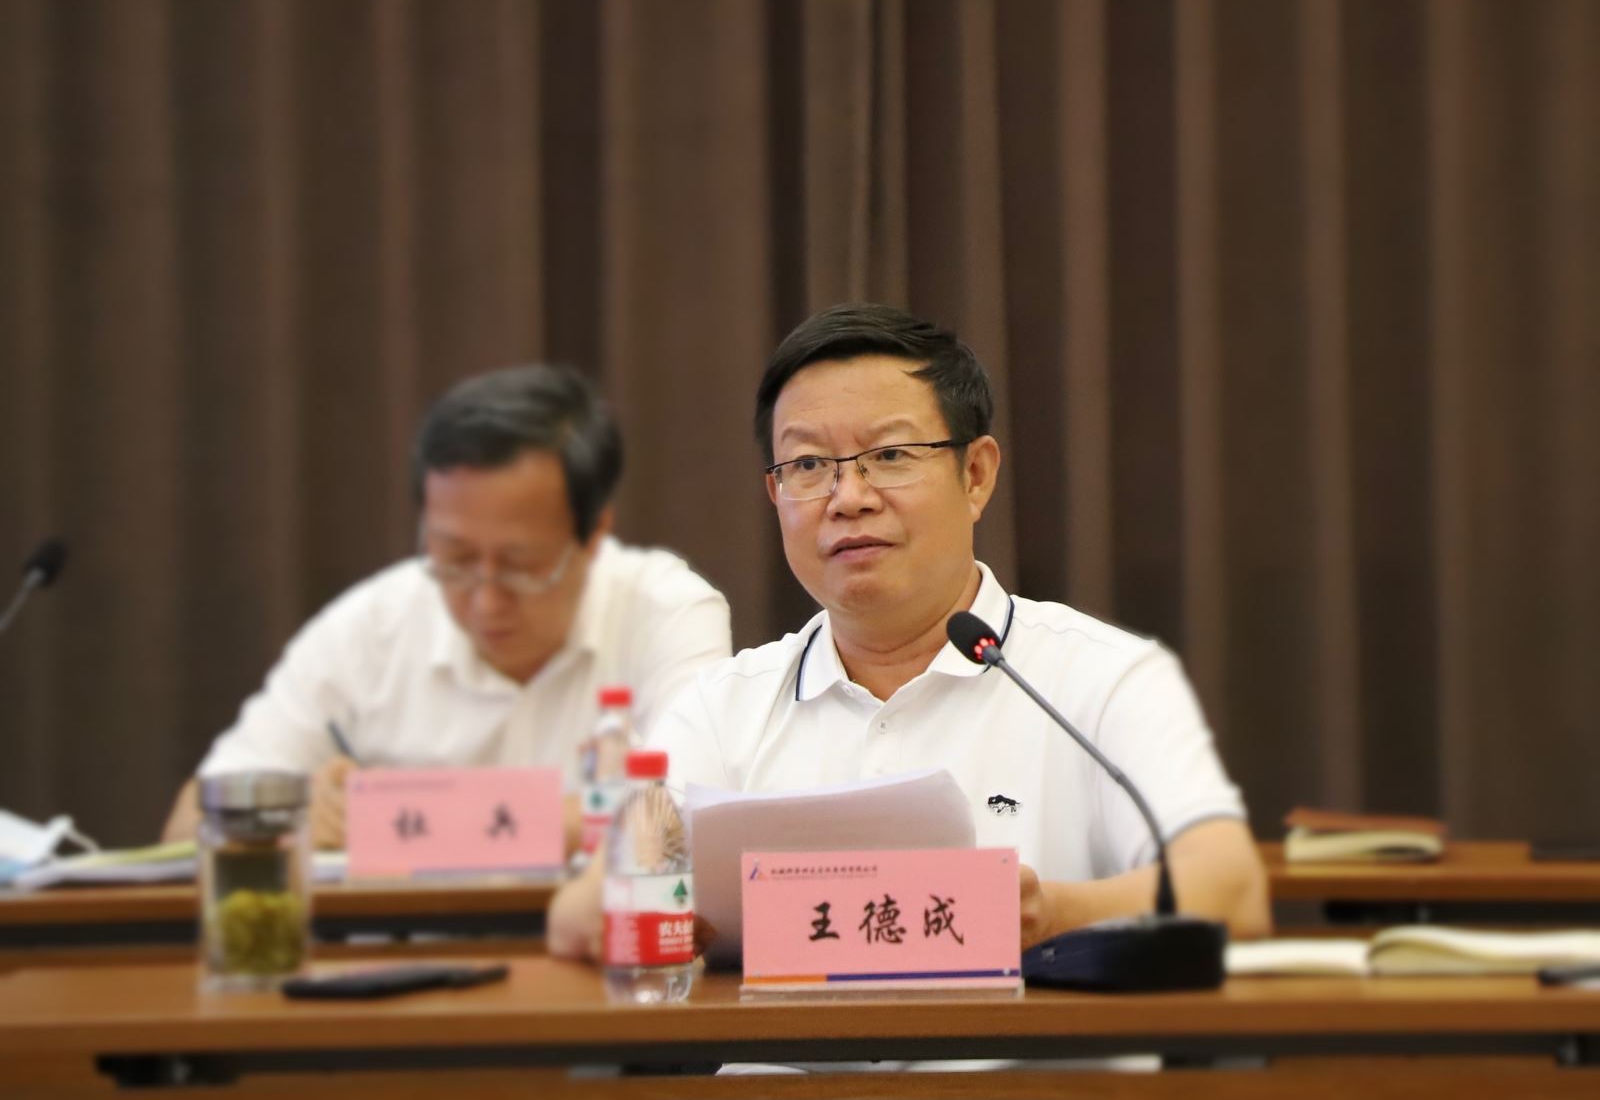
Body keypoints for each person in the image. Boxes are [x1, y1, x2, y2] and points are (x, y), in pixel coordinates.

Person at [549, 304, 1267, 961]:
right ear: (776, 493)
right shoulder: (722, 707)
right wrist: (650, 912)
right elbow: (581, 913)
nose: (848, 498)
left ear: (975, 474)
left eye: (890, 455)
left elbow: (1232, 889)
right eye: (808, 465)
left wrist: (1049, 914)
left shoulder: (1103, 677)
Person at [163, 365, 731, 850]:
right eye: (455, 560)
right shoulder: (371, 626)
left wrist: (387, 820)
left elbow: (687, 820)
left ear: (594, 533)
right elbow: (188, 824)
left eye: (521, 565)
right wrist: (294, 815)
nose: (485, 599)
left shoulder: (666, 612)